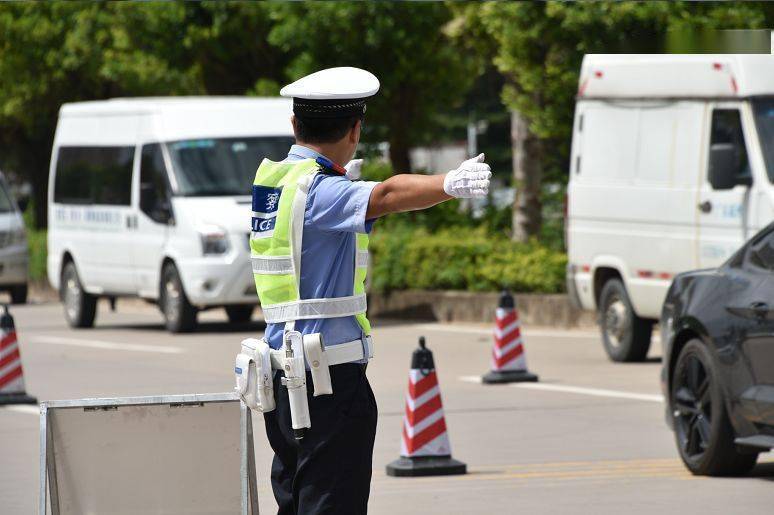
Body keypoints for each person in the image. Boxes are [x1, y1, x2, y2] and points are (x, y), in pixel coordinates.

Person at [249, 66, 490, 514]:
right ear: (355, 129)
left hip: (283, 377)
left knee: (296, 499)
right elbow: (388, 193)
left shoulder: (276, 184)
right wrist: (448, 183)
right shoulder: (322, 190)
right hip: (327, 383)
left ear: (294, 125)